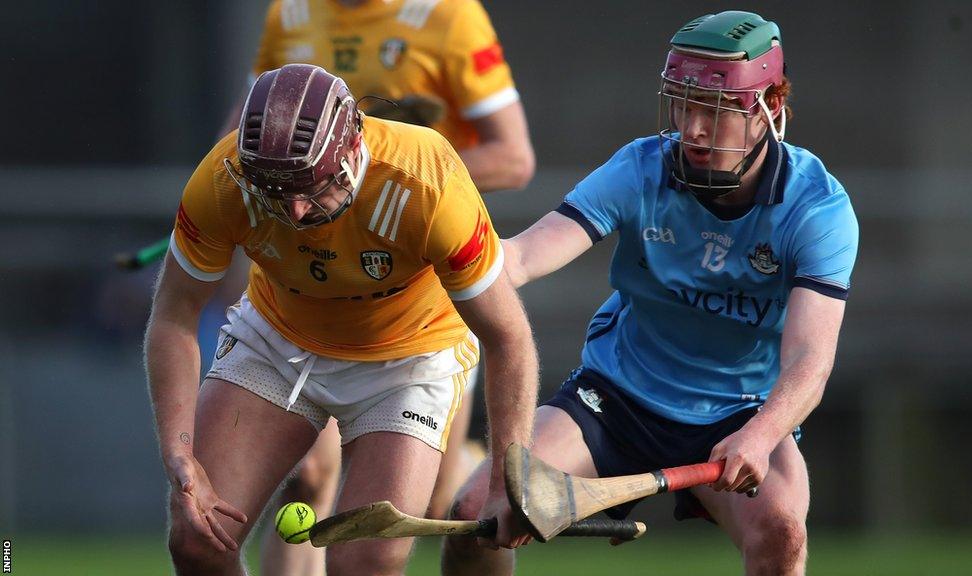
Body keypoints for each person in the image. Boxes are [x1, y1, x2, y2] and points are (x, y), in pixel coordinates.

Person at [441, 11, 859, 576]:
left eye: (713, 112)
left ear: (769, 111)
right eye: (684, 108)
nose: (693, 131)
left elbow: (811, 359)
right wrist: (443, 257)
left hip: (738, 413)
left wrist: (761, 436)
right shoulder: (642, 168)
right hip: (615, 398)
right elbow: (521, 257)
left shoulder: (816, 210)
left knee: (781, 533)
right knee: (474, 518)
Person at [146, 63, 537, 576]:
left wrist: (507, 480)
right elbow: (174, 316)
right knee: (197, 539)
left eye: (313, 187)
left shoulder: (428, 181)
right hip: (277, 341)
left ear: (353, 146)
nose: (298, 212)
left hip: (409, 357)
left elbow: (508, 338)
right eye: (277, 192)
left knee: (362, 564)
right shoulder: (224, 180)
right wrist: (179, 452)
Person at [242, 2, 536, 569]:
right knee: (307, 474)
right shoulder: (291, 13)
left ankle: (466, 456)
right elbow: (243, 130)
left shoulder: (449, 17)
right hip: (307, 275)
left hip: (417, 288)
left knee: (418, 504)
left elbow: (514, 157)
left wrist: (398, 182)